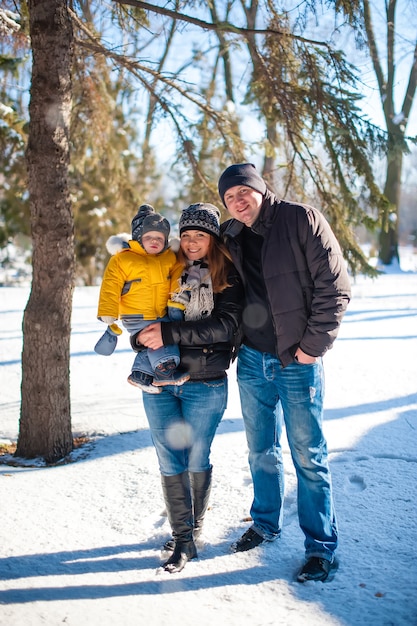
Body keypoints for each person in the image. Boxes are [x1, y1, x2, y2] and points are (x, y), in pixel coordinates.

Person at [217, 163, 351, 583]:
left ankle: (321, 548)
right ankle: (265, 523)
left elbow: (335, 287)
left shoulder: (300, 219)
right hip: (253, 361)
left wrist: (311, 349)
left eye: (244, 192)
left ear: (260, 189)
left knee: (309, 457)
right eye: (229, 197)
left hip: (297, 360)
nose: (238, 202)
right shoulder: (231, 236)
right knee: (261, 450)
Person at [134, 203, 242, 574]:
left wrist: (166, 333)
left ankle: (192, 530)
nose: (193, 242)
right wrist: (141, 341)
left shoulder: (227, 277)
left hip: (204, 385)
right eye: (188, 235)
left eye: (201, 235)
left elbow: (223, 327)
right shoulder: (167, 271)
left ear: (213, 239)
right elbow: (144, 315)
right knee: (168, 459)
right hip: (161, 383)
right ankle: (183, 540)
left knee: (196, 458)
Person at [95, 204, 189, 393]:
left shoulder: (169, 258)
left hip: (161, 312)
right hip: (135, 314)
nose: (154, 241)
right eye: (148, 237)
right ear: (139, 238)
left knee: (154, 342)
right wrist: (108, 312)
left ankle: (141, 375)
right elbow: (110, 285)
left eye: (159, 238)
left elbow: (178, 275)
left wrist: (176, 300)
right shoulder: (124, 259)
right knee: (163, 340)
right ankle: (164, 372)